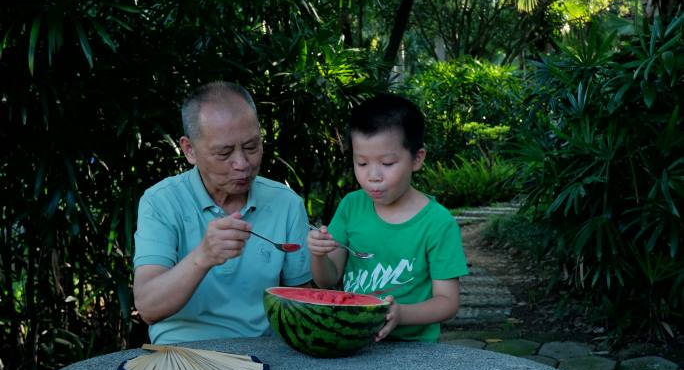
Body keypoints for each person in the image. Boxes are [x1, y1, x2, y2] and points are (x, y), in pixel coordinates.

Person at [133, 81, 311, 344]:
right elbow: (148, 308)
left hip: (266, 356)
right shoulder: (161, 202)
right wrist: (203, 256)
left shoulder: (286, 203)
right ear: (189, 150)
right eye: (224, 152)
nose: (242, 163)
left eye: (251, 147)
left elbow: (301, 306)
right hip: (181, 355)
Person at [307, 94, 469, 343]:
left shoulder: (438, 222)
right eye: (361, 163)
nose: (373, 176)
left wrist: (401, 314)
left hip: (415, 349)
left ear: (417, 159)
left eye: (387, 163)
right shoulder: (351, 206)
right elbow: (328, 279)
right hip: (355, 341)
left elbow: (447, 302)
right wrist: (318, 255)